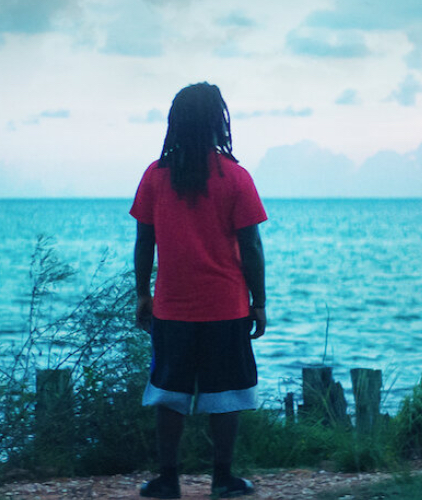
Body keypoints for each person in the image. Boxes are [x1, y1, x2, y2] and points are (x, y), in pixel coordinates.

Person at [129, 82, 268, 499]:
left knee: (169, 395)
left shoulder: (156, 175)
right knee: (225, 395)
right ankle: (223, 479)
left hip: (172, 309)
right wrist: (258, 302)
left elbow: (143, 242)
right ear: (216, 122)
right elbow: (252, 247)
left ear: (175, 122)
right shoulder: (236, 177)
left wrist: (142, 294)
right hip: (226, 307)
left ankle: (167, 480)